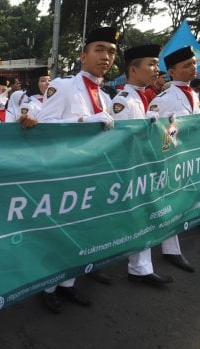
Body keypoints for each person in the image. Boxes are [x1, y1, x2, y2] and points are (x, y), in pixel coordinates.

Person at [31, 27, 121, 313]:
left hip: (91, 175)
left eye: (111, 52)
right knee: (58, 233)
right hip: (63, 174)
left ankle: (68, 285)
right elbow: (43, 125)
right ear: (83, 55)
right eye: (99, 49)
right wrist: (85, 121)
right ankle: (47, 287)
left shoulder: (106, 97)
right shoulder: (65, 85)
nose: (105, 56)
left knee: (81, 231)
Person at [110, 44, 175, 286]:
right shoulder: (123, 100)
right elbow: (117, 142)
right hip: (130, 170)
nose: (156, 69)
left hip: (144, 167)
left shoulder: (143, 96)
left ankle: (140, 268)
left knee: (142, 217)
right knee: (132, 218)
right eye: (151, 64)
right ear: (134, 70)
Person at [147, 46, 200, 272]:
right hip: (166, 159)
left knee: (175, 203)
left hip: (185, 158)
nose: (193, 68)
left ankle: (171, 249)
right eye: (186, 65)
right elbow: (154, 132)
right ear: (172, 71)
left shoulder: (194, 95)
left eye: (193, 64)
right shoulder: (165, 98)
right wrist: (171, 143)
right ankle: (144, 254)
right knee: (158, 205)